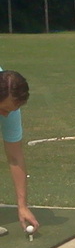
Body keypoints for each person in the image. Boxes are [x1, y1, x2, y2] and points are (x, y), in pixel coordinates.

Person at [0, 69, 39, 236]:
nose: (6, 115)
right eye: (3, 109)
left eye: (11, 110)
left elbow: (15, 157)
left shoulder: (11, 110)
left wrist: (22, 205)